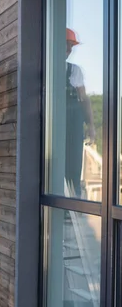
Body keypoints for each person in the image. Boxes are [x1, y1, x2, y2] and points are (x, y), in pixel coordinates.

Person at [65, 28, 95, 197]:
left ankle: (73, 201)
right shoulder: (44, 67)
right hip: (51, 124)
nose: (69, 51)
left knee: (74, 164)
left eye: (71, 47)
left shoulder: (74, 71)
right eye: (67, 46)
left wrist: (90, 126)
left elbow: (83, 99)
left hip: (73, 123)